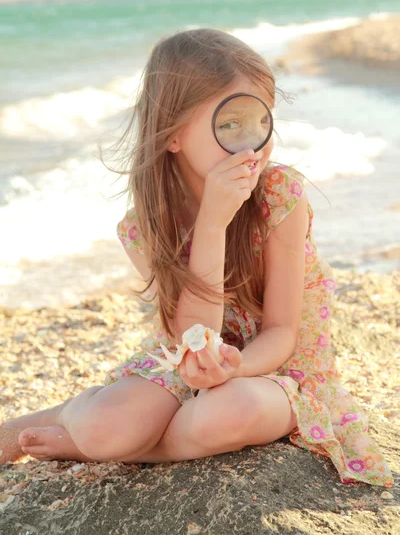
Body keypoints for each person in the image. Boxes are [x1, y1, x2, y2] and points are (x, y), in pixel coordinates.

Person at [0, 28, 393, 488]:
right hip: (185, 367)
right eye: (228, 125)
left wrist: (234, 367)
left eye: (259, 122)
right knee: (109, 424)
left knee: (228, 413)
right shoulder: (143, 227)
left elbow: (282, 333)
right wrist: (211, 224)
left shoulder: (280, 195)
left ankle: (112, 447)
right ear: (173, 135)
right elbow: (190, 338)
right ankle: (74, 416)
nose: (251, 144)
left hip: (272, 372)